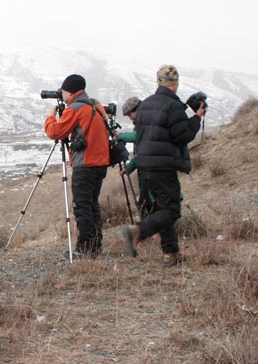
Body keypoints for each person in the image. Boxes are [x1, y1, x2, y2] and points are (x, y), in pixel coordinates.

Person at [122, 65, 206, 266]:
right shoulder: (173, 106)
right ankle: (137, 232)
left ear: (158, 82)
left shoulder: (146, 105)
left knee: (162, 207)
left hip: (145, 167)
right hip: (163, 165)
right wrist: (196, 118)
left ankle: (172, 252)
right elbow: (183, 136)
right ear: (175, 84)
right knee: (172, 211)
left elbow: (141, 137)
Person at [44, 74, 110, 257]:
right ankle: (95, 245)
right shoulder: (95, 105)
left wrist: (51, 116)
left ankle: (86, 248)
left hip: (86, 164)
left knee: (81, 206)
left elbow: (55, 132)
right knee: (91, 204)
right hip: (101, 162)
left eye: (63, 91)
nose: (61, 94)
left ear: (69, 91)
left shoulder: (75, 109)